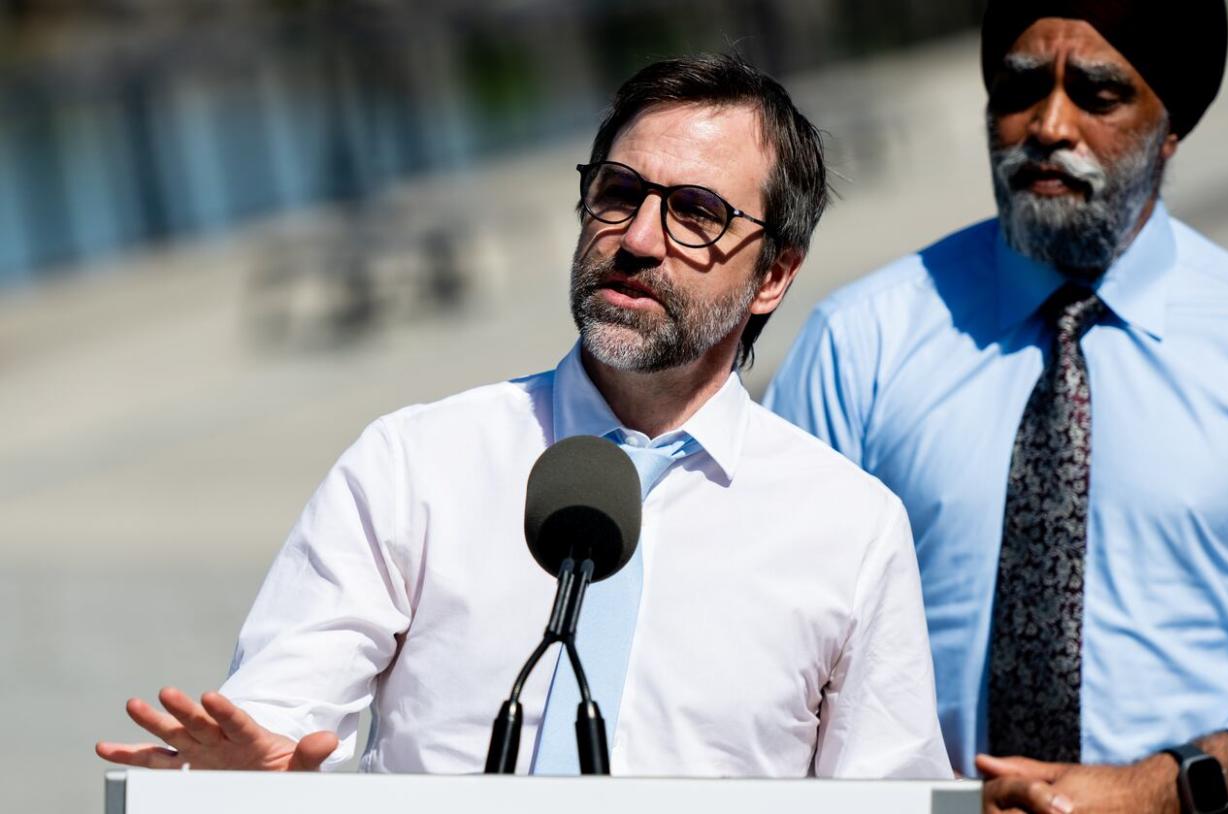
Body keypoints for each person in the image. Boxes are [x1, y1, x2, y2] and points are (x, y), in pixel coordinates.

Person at [96, 54, 951, 779]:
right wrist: (260, 774)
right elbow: (279, 712)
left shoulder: (850, 530)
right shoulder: (415, 465)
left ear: (774, 274)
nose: (638, 238)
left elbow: (890, 798)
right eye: (619, 192)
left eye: (696, 213)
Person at [766, 1, 1228, 811]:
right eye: (1021, 89)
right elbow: (763, 646)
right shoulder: (861, 345)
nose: (1050, 125)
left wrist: (1171, 785)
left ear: (1171, 129)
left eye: (1098, 96)